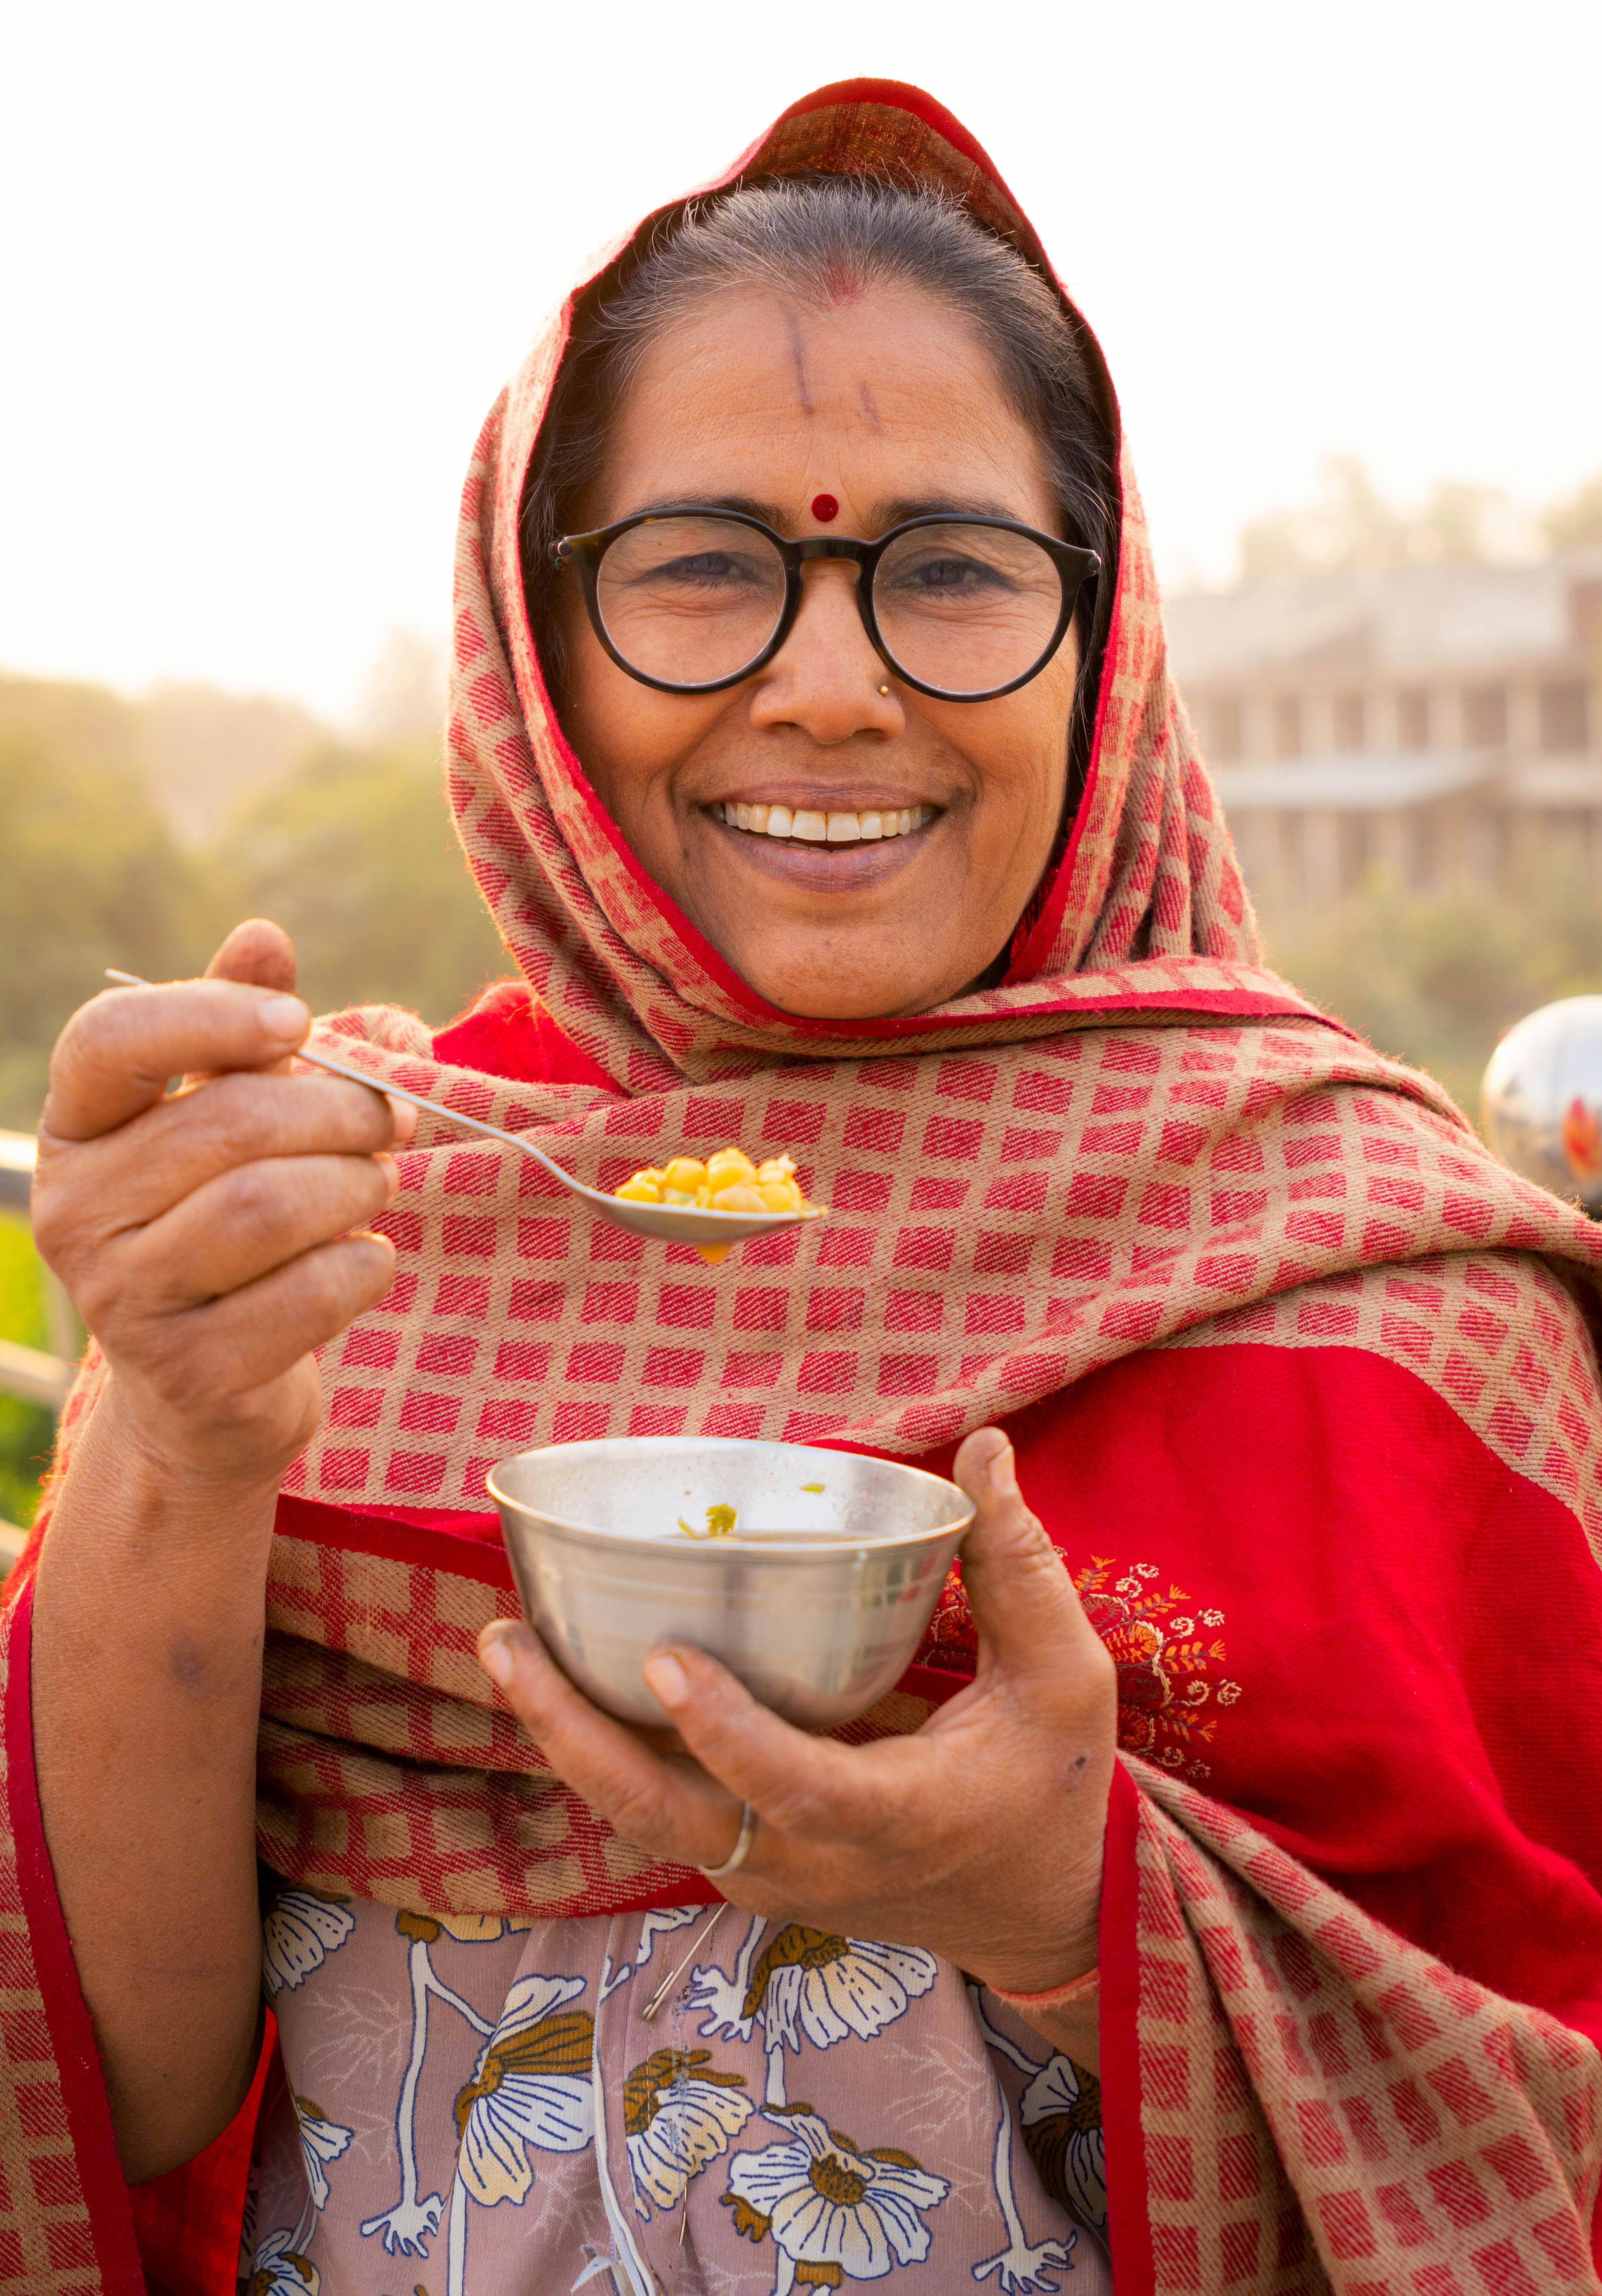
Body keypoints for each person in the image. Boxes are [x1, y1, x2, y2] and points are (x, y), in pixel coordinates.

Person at [7, 78, 1602, 2296]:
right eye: (702, 573)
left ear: (1106, 635)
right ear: (535, 646)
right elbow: (116, 2093)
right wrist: (173, 1438)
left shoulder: (1381, 1279)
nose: (832, 690)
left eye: (949, 573)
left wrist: (1061, 1908)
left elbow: (1553, 2108)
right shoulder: (311, 1230)